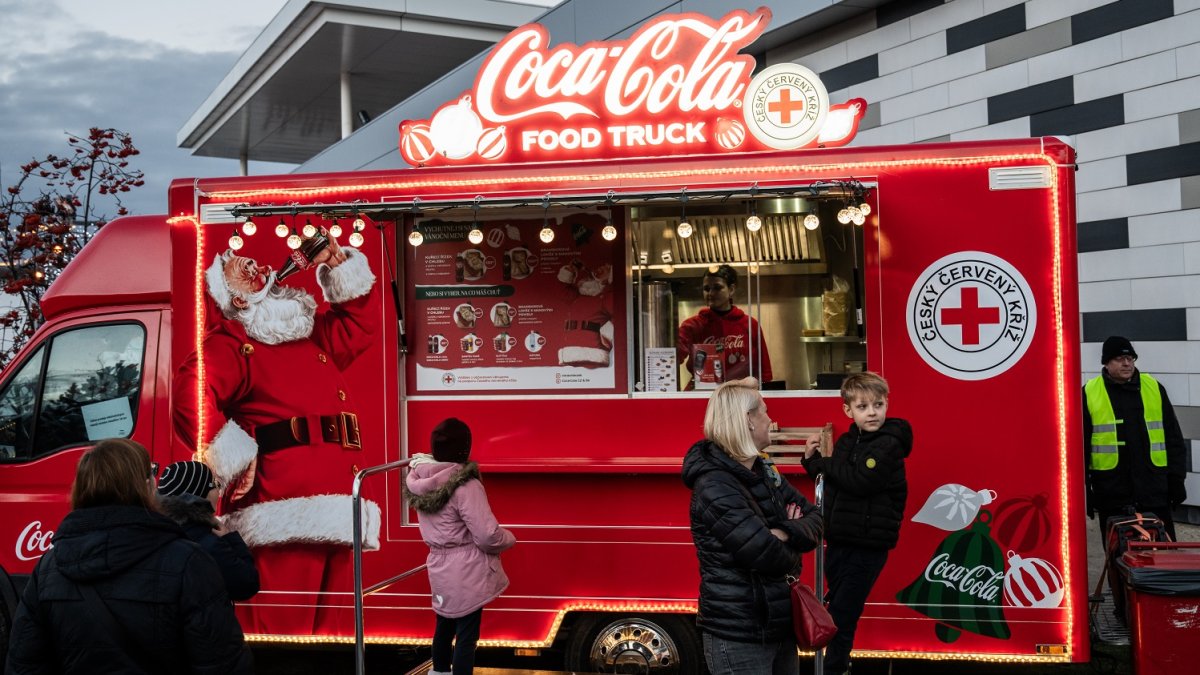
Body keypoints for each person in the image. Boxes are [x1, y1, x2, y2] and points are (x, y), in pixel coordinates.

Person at [172, 234, 381, 634]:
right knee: (283, 632)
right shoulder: (232, 343)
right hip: (278, 507)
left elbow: (358, 327)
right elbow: (190, 396)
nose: (254, 266)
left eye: (251, 261)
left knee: (335, 636)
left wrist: (338, 266)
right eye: (240, 268)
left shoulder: (307, 334)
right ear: (237, 301)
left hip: (339, 503)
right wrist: (236, 455)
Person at [5, 438, 253, 674]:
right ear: (145, 487)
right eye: (152, 475)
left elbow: (25, 664)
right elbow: (222, 663)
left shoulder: (49, 568)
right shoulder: (188, 561)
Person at [681, 377, 823, 674]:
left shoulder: (765, 470)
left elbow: (817, 518)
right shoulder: (714, 485)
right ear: (747, 420)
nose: (771, 420)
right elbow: (766, 555)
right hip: (740, 635)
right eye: (765, 411)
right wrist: (794, 539)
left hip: (778, 628)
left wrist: (784, 532)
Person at [802, 371, 912, 675]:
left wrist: (826, 464)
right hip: (841, 540)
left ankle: (836, 668)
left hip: (867, 545)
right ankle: (837, 664)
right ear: (848, 411)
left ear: (887, 404)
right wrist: (813, 463)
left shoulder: (888, 444)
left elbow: (861, 480)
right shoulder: (850, 440)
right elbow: (838, 481)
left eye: (877, 404)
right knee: (837, 608)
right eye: (863, 407)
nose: (872, 412)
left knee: (842, 613)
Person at [405, 418, 516, 675]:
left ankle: (440, 671)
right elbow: (488, 536)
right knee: (467, 635)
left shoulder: (419, 479)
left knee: (444, 626)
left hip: (439, 565)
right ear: (465, 448)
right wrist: (509, 538)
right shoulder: (465, 485)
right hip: (467, 569)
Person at [1084, 336, 1188, 543]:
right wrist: (1085, 491)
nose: (1126, 363)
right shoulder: (1089, 392)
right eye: (1119, 359)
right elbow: (1080, 448)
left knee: (1164, 558)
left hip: (1154, 492)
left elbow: (1173, 438)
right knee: (1119, 562)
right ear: (1106, 362)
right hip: (1112, 495)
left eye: (1130, 358)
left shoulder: (1154, 388)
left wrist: (1177, 480)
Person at [157, 460, 260, 601]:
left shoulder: (154, 535)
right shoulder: (209, 545)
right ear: (199, 494)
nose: (219, 491)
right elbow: (247, 585)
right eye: (215, 485)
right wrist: (230, 539)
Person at [677, 264, 773, 389]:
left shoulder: (750, 325)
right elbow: (672, 358)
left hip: (739, 396)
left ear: (731, 289)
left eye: (717, 288)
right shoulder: (692, 325)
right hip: (702, 396)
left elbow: (764, 372)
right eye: (706, 288)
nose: (711, 293)